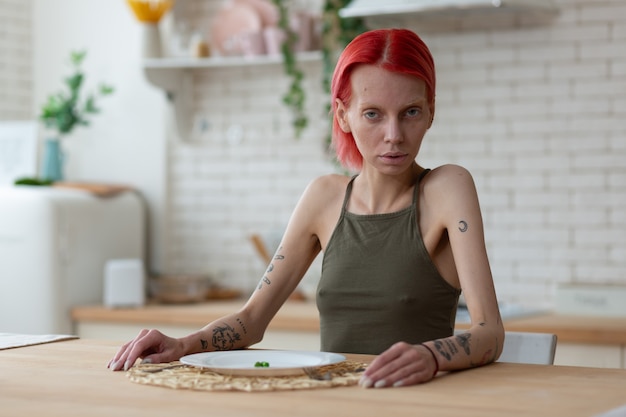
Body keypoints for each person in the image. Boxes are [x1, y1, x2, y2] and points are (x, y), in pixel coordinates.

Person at [109, 28, 504, 389]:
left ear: (431, 111)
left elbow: (489, 332)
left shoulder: (448, 188)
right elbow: (250, 322)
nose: (394, 136)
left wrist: (431, 355)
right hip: (330, 401)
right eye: (373, 114)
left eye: (411, 112)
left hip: (420, 403)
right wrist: (182, 344)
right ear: (342, 115)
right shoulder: (324, 198)